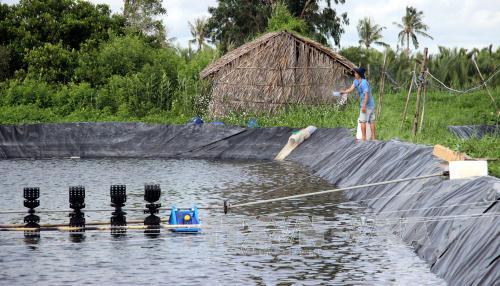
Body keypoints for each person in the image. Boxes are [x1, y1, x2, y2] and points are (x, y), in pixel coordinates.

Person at [340, 67, 376, 141]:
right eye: (355, 73)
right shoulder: (356, 81)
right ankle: (373, 138)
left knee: (363, 121)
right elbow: (350, 89)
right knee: (371, 121)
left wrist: (364, 106)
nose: (354, 74)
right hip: (370, 104)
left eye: (356, 73)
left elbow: (366, 95)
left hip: (367, 105)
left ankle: (364, 139)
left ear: (359, 74)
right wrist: (344, 92)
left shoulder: (364, 83)